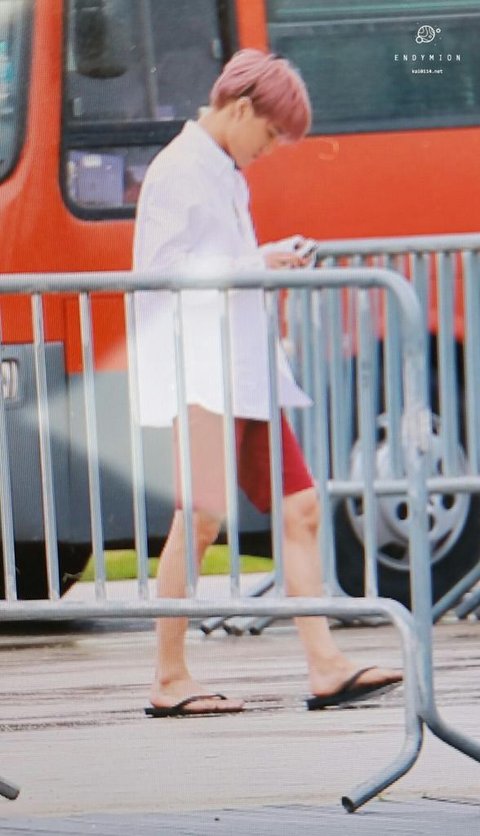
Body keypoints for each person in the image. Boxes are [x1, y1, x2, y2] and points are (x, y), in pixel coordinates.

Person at [133, 49, 402, 716]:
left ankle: (325, 664)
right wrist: (257, 261)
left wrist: (260, 260)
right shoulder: (181, 170)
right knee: (201, 518)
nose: (273, 148)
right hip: (206, 368)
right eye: (273, 133)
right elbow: (161, 274)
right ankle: (170, 676)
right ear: (242, 108)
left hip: (242, 370)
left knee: (298, 507)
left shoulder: (214, 168)